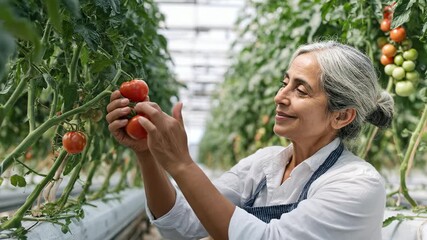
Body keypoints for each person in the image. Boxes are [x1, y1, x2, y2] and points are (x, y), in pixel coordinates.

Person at [106, 41, 394, 240]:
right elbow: (181, 225)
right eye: (285, 83)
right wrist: (147, 155)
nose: (280, 97)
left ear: (342, 116)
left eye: (301, 90)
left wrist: (182, 164)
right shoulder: (264, 165)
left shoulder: (356, 184)